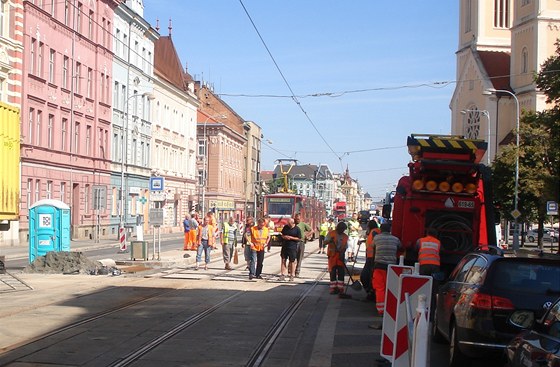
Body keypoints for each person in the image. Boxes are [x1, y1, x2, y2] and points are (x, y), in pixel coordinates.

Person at [372, 222, 402, 317]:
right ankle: (390, 309)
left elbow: (372, 247)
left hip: (379, 266)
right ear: (390, 230)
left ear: (381, 230)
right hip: (391, 268)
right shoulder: (395, 239)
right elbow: (401, 247)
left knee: (380, 288)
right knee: (390, 288)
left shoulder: (377, 238)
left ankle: (381, 310)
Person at [416, 228, 441, 320]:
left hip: (423, 266)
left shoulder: (421, 241)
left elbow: (416, 249)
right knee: (434, 289)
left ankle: (421, 310)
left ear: (427, 233)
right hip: (435, 267)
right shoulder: (438, 242)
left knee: (422, 287)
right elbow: (441, 250)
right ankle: (431, 314)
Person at [325, 222, 348, 295]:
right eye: (341, 229)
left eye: (343, 230)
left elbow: (345, 246)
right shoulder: (331, 234)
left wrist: (342, 253)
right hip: (332, 256)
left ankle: (340, 288)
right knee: (333, 272)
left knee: (341, 272)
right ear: (338, 228)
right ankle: (333, 288)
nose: (342, 231)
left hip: (340, 256)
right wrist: (329, 241)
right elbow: (324, 242)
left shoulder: (345, 236)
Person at [280, 217, 301, 281]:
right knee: (283, 260)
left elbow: (299, 238)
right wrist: (284, 237)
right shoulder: (286, 227)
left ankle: (292, 275)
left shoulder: (297, 229)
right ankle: (283, 274)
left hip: (292, 247)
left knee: (292, 261)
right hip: (285, 246)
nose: (288, 225)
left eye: (289, 224)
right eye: (288, 224)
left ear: (292, 223)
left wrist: (291, 238)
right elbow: (282, 234)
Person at [294, 213, 312, 278]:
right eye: (296, 219)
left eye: (299, 219)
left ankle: (297, 271)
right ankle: (290, 271)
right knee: (292, 258)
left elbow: (311, 230)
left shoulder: (303, 224)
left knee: (299, 258)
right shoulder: (293, 223)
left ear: (300, 219)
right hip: (293, 242)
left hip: (301, 242)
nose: (298, 220)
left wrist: (306, 235)